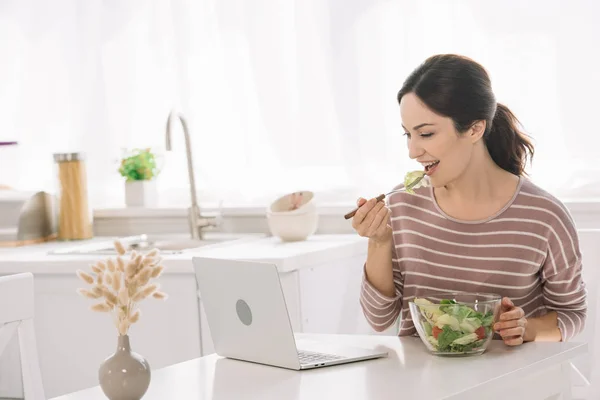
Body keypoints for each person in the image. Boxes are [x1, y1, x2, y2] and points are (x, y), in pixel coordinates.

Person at [353, 54, 586, 346]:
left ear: (475, 129)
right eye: (407, 134)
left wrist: (529, 328)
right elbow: (379, 319)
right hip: (425, 386)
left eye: (425, 133)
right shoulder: (403, 206)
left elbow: (572, 313)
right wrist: (379, 241)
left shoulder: (544, 215)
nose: (413, 151)